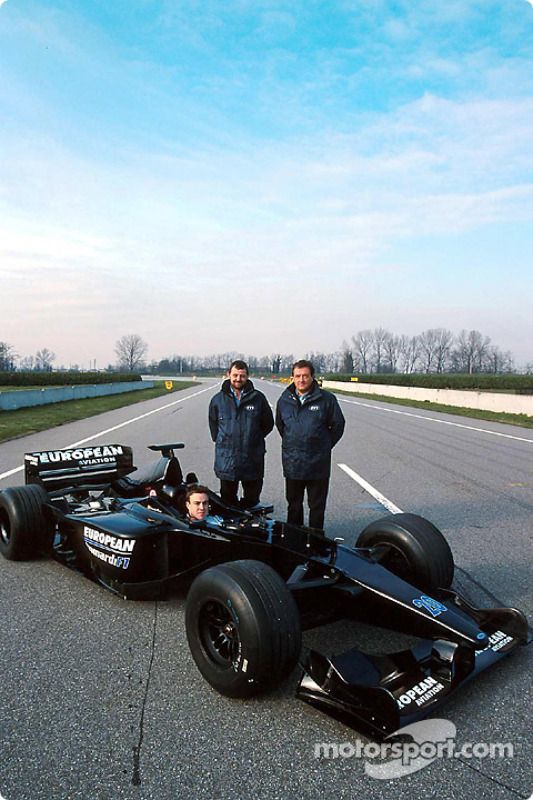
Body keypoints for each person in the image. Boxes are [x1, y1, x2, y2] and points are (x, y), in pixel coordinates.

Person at [275, 359, 345, 532]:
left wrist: (323, 445)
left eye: (305, 376)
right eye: (297, 376)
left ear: (312, 377)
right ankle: (294, 541)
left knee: (317, 507)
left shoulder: (327, 399)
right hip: (293, 463)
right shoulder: (284, 400)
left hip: (318, 465)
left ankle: (316, 543)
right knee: (294, 506)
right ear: (292, 377)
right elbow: (281, 426)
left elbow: (338, 425)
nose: (301, 380)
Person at [208, 360, 274, 509]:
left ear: (247, 377)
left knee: (251, 503)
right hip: (227, 460)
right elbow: (213, 425)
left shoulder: (258, 398)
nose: (238, 379)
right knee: (227, 505)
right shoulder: (217, 400)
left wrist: (253, 438)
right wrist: (222, 440)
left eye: (242, 376)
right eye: (235, 375)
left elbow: (268, 424)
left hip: (252, 459)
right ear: (228, 375)